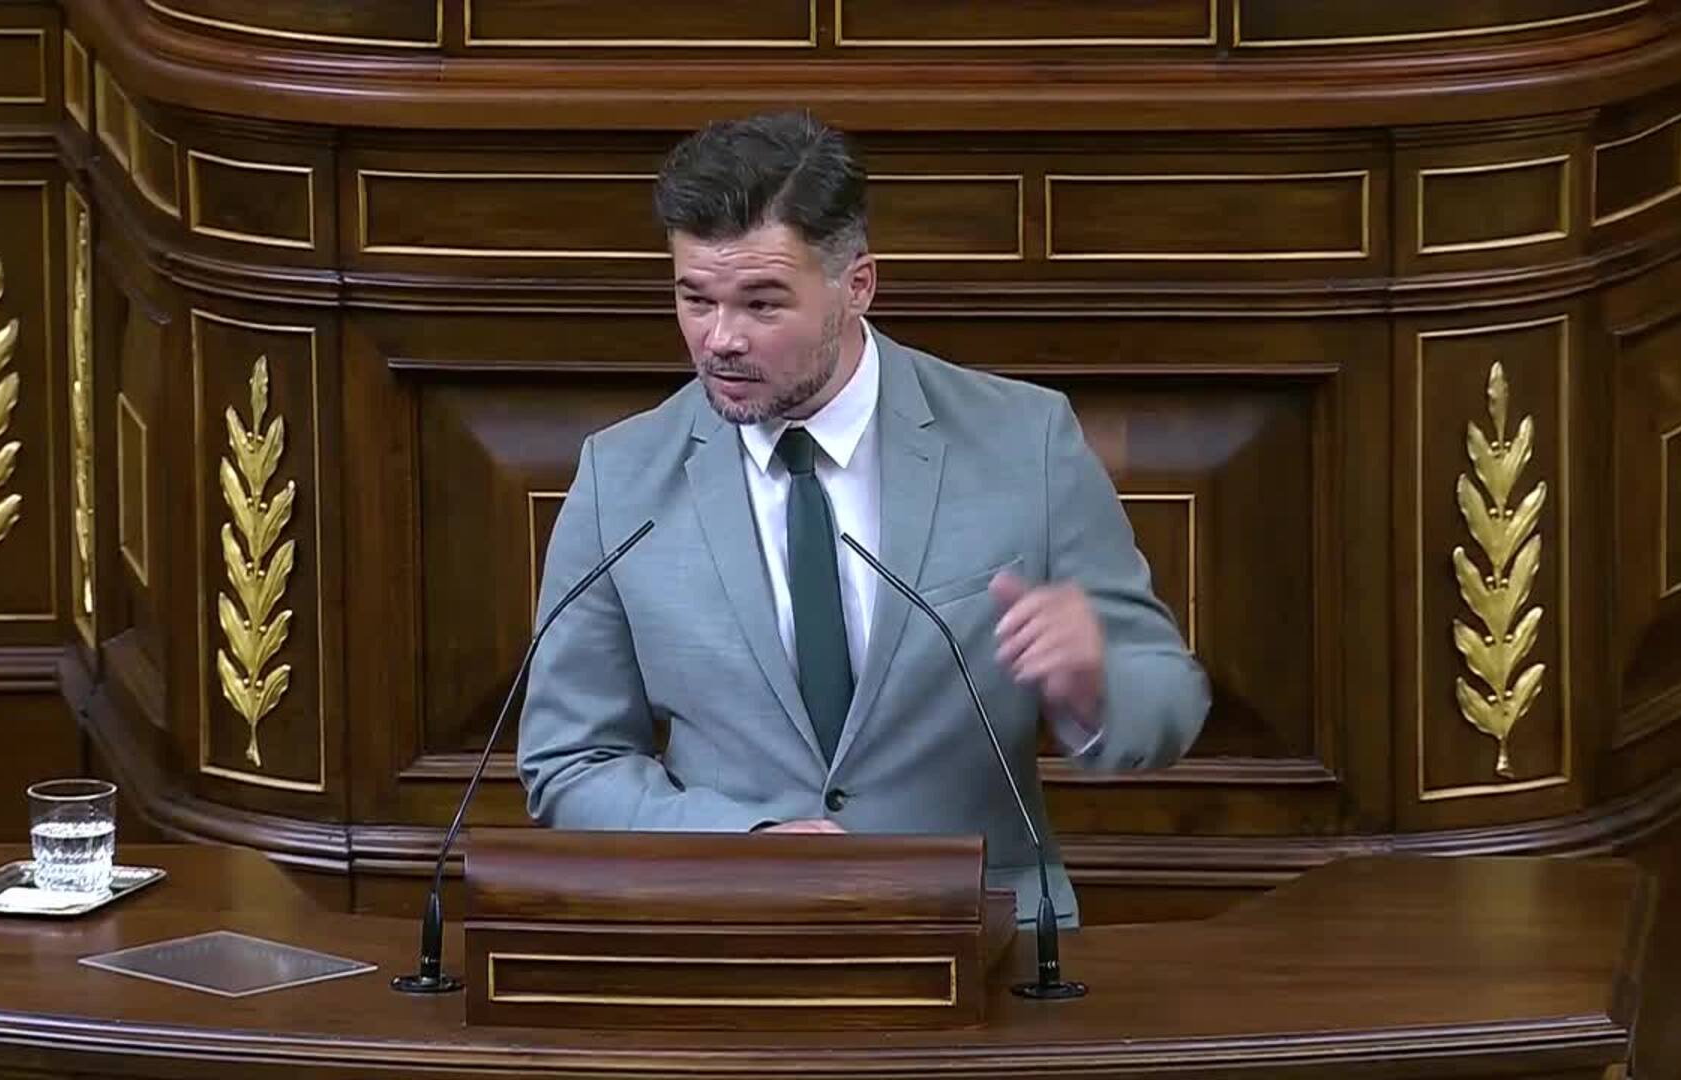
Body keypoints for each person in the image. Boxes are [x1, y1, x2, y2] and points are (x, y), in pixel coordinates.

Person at [516, 110, 1209, 923]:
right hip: (729, 935)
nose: (720, 340)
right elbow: (571, 759)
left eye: (762, 304)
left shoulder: (1025, 442)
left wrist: (1097, 687)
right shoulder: (622, 478)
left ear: (857, 286)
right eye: (695, 299)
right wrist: (743, 842)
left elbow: (1169, 698)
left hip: (985, 938)